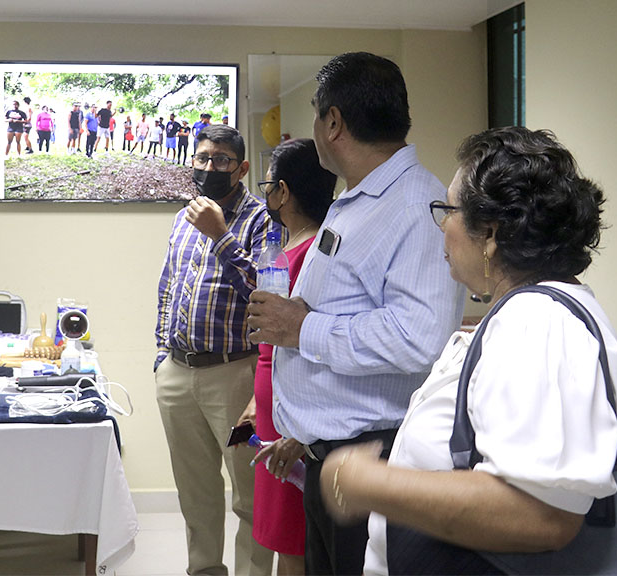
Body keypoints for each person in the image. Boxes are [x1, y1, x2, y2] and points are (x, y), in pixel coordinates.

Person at [316, 126, 617, 575]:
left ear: (488, 233)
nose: (442, 227)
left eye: (447, 210)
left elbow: (541, 514)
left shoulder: (537, 324)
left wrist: (370, 483)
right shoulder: (531, 316)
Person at [246, 52, 464, 575]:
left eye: (317, 116)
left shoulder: (413, 207)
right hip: (328, 457)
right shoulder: (356, 201)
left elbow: (419, 338)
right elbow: (346, 311)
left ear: (334, 122)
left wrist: (301, 327)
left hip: (374, 460)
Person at [155, 124, 278, 576]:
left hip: (235, 379)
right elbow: (169, 286)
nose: (210, 167)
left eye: (221, 160)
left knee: (249, 495)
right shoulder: (182, 216)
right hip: (177, 373)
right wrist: (160, 356)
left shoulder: (264, 219)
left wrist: (221, 235)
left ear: (242, 168)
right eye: (203, 158)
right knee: (195, 494)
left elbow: (265, 295)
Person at [238, 139, 336, 576]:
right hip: (272, 406)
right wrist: (255, 405)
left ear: (282, 191)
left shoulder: (313, 256)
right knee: (280, 534)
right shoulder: (284, 248)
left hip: (293, 417)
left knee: (294, 539)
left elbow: (313, 348)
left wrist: (297, 428)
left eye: (267, 187)